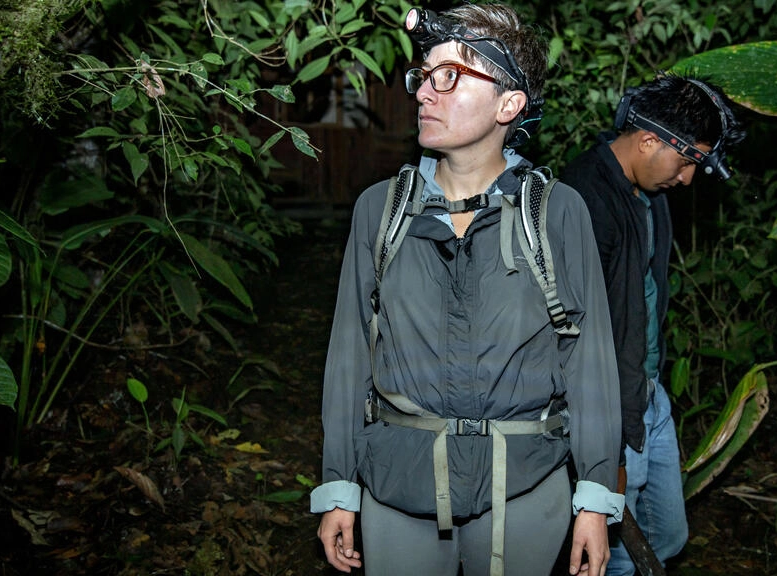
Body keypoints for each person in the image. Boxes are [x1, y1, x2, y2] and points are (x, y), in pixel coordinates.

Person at [309, 4, 625, 576]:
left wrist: (596, 498)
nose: (425, 93)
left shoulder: (556, 212)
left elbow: (590, 360)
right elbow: (350, 354)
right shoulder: (381, 210)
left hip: (525, 485)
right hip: (398, 481)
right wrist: (338, 485)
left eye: (449, 76)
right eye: (423, 76)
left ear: (509, 104)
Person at [560, 73, 745, 574]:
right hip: (609, 406)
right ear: (648, 140)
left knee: (666, 534)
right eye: (686, 161)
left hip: (647, 395)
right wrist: (604, 450)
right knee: (616, 556)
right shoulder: (582, 200)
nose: (686, 179)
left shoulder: (652, 198)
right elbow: (571, 340)